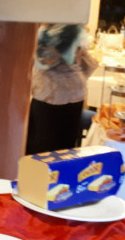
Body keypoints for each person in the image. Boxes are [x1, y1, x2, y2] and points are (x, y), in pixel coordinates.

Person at [25, 24, 97, 155]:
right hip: (73, 92)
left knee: (41, 146)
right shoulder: (77, 29)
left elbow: (44, 60)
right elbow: (88, 63)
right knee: (64, 147)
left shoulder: (50, 31)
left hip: (50, 92)